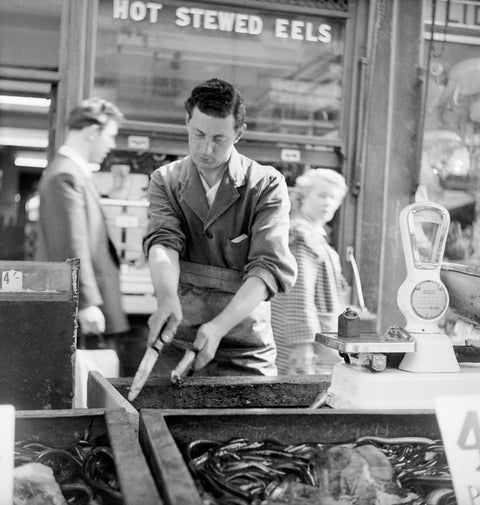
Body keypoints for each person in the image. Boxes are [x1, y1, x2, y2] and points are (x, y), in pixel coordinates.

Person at [143, 78, 297, 376]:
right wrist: (166, 298)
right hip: (176, 337)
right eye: (198, 134)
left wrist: (218, 327)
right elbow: (163, 244)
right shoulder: (166, 180)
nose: (206, 149)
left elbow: (267, 267)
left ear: (239, 133)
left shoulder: (265, 184)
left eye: (219, 139)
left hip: (244, 346)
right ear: (187, 121)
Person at [35, 97, 130, 348]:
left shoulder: (71, 173)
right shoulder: (65, 175)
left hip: (91, 306)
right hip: (87, 309)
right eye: (110, 135)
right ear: (92, 132)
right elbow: (71, 245)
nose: (111, 144)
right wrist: (85, 303)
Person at [271, 168, 350, 375]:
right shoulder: (301, 235)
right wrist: (302, 344)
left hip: (318, 338)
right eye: (322, 195)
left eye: (334, 198)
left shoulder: (312, 233)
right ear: (303, 196)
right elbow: (298, 292)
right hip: (307, 345)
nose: (328, 203)